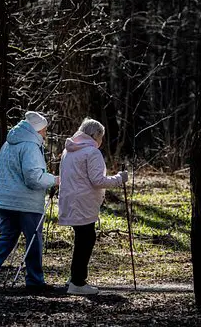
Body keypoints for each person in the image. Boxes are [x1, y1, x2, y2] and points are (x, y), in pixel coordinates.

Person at [0, 111, 59, 292]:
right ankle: (35, 281)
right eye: (44, 130)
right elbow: (34, 179)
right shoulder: (30, 146)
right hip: (26, 203)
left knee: (7, 237)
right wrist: (55, 180)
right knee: (33, 240)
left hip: (5, 200)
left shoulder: (8, 143)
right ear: (37, 130)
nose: (45, 134)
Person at [58, 118, 128, 295]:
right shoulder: (91, 152)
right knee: (86, 239)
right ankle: (77, 282)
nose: (101, 141)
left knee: (82, 238)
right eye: (101, 137)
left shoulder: (68, 150)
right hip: (83, 202)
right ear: (95, 135)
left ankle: (75, 278)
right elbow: (98, 181)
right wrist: (119, 178)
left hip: (70, 200)